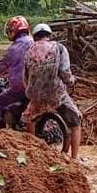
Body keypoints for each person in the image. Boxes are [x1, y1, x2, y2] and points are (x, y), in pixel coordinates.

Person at [23, 24, 82, 159]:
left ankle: (32, 153)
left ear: (35, 36)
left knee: (30, 119)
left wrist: (31, 91)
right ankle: (74, 159)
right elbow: (64, 72)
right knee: (76, 122)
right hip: (56, 93)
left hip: (36, 94)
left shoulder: (29, 50)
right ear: (49, 35)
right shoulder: (59, 48)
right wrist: (71, 81)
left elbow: (25, 76)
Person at [0, 16, 33, 126]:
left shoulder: (14, 48)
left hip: (21, 86)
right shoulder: (33, 42)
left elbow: (0, 66)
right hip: (34, 84)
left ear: (13, 31)